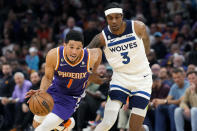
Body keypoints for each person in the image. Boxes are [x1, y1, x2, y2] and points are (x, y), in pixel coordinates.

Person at [87, 2, 153, 131]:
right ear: (106, 19)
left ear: (122, 16)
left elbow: (147, 49)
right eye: (110, 18)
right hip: (120, 78)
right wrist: (91, 74)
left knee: (134, 128)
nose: (114, 21)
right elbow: (86, 54)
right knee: (107, 122)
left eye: (117, 17)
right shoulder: (101, 38)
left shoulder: (138, 27)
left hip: (143, 79)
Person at [25, 30, 102, 131]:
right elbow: (48, 77)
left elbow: (99, 52)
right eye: (71, 47)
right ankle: (64, 125)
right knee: (36, 124)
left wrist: (93, 72)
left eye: (78, 48)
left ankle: (62, 124)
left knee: (42, 129)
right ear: (64, 45)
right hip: (54, 91)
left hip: (71, 98)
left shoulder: (90, 56)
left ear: (82, 47)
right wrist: (42, 92)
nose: (74, 52)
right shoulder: (54, 55)